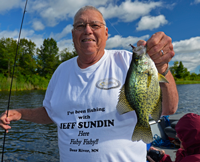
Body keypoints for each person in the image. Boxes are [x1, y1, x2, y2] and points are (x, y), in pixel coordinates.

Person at [0, 6, 178, 162]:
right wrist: (20, 113)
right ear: (73, 35)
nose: (87, 30)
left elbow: (169, 108)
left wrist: (162, 67)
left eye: (94, 25)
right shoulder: (61, 71)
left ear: (106, 33)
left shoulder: (127, 61)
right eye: (80, 26)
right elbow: (51, 113)